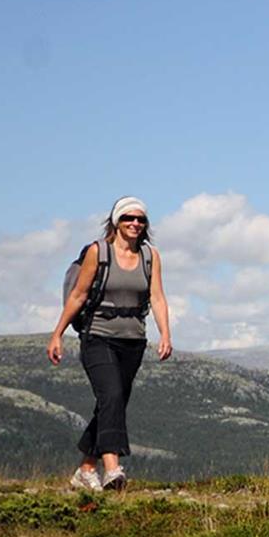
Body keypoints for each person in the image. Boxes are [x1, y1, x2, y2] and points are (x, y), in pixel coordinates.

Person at [47, 196, 172, 492]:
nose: (135, 224)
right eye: (129, 218)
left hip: (133, 339)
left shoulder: (150, 256)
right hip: (97, 336)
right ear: (116, 221)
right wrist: (58, 333)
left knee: (112, 402)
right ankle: (113, 470)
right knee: (112, 395)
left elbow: (157, 296)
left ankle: (86, 469)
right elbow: (78, 295)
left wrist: (165, 334)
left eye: (141, 220)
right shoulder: (98, 252)